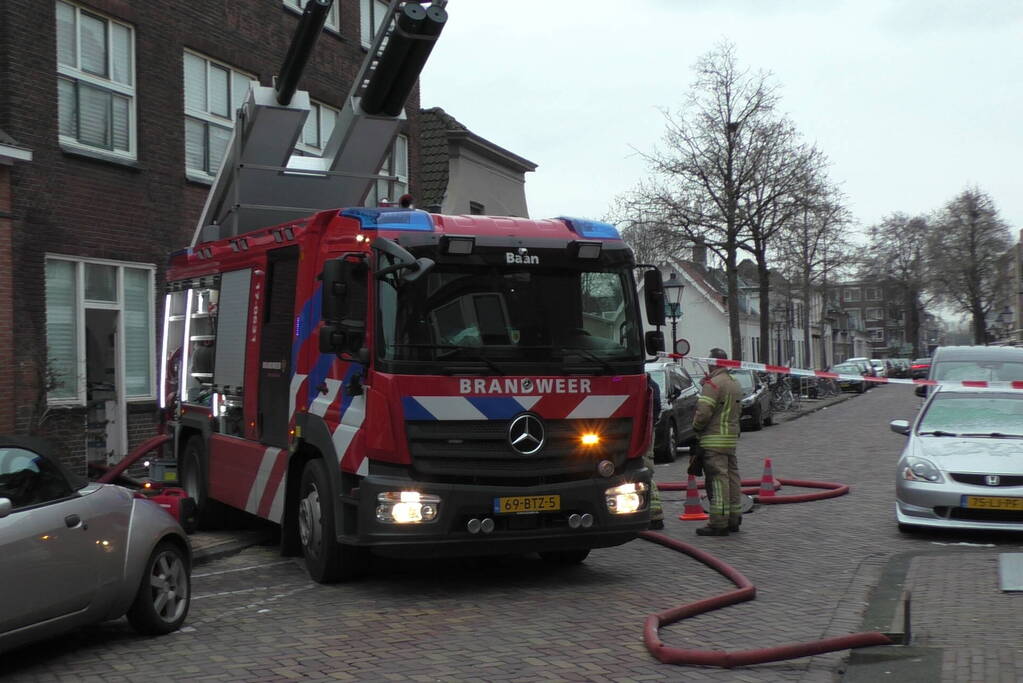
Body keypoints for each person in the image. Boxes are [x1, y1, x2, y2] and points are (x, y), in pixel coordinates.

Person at [692, 347, 743, 536]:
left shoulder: (713, 384)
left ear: (713, 363)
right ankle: (734, 518)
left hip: (713, 439)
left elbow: (704, 413)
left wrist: (696, 427)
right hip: (730, 439)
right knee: (732, 478)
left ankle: (718, 522)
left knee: (717, 480)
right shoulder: (734, 383)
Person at [644, 373, 665, 529]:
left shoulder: (646, 386)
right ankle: (654, 514)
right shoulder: (653, 385)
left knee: (644, 470)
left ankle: (654, 515)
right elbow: (657, 409)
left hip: (641, 433)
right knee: (646, 470)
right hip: (648, 432)